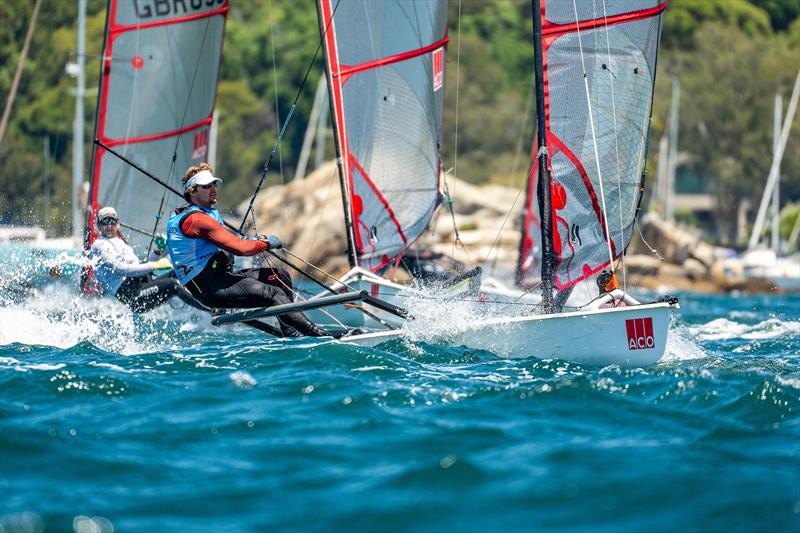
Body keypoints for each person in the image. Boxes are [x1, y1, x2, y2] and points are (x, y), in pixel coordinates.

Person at [166, 163, 354, 338]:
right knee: (274, 295)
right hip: (210, 288)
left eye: (214, 184)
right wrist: (267, 243)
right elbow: (240, 248)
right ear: (192, 191)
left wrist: (253, 241)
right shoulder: (196, 220)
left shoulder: (199, 213)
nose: (213, 189)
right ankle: (319, 335)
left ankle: (290, 333)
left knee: (280, 276)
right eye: (207, 186)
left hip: (220, 278)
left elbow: (230, 243)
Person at [88, 206, 198, 313]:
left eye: (112, 221)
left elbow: (138, 265)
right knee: (173, 285)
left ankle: (210, 301)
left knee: (178, 273)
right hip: (132, 296)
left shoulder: (119, 242)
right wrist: (155, 265)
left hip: (141, 285)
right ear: (99, 226)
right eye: (105, 222)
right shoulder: (100, 245)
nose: (109, 226)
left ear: (118, 224)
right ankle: (211, 310)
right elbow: (121, 269)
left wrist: (157, 251)